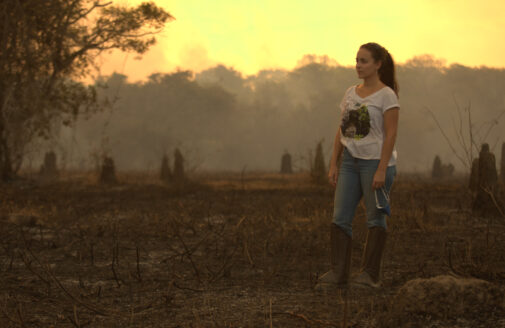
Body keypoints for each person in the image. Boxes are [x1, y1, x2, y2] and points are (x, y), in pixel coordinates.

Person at [315, 42, 400, 289]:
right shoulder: (350, 92)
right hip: (350, 163)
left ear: (378, 64)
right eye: (357, 60)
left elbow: (391, 134)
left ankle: (369, 276)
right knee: (340, 217)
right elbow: (342, 129)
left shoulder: (387, 95)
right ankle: (338, 273)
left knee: (375, 218)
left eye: (364, 61)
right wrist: (334, 163)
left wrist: (382, 169)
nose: (358, 66)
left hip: (375, 163)